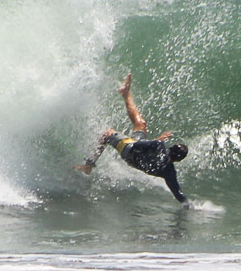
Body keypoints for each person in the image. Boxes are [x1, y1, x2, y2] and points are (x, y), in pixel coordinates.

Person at [77, 73, 189, 202]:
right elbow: (179, 195)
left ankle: (88, 165)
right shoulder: (170, 172)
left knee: (106, 134)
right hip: (134, 159)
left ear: (171, 147)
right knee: (141, 124)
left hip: (129, 150)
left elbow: (136, 145)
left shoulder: (159, 146)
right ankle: (126, 93)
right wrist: (192, 206)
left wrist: (158, 140)